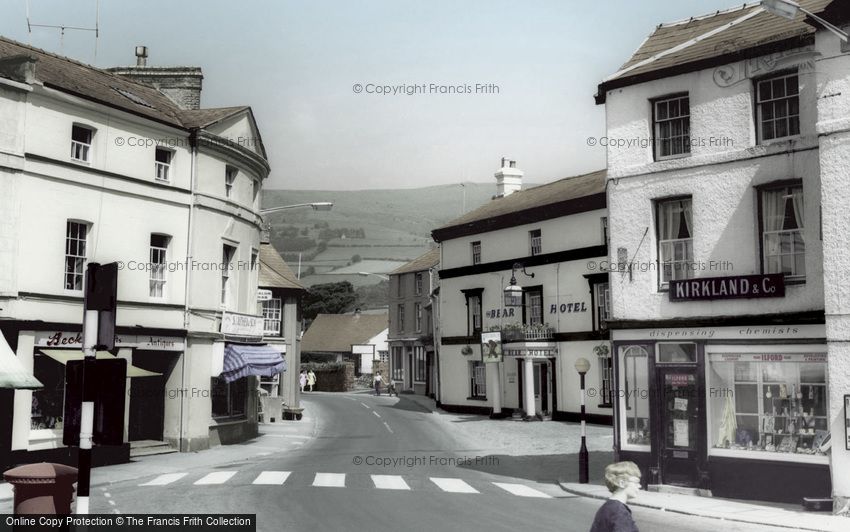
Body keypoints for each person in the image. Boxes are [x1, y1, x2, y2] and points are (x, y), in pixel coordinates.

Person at [589, 461, 641, 532]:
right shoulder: (619, 512)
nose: (639, 486)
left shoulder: (607, 507)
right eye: (636, 482)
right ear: (622, 483)